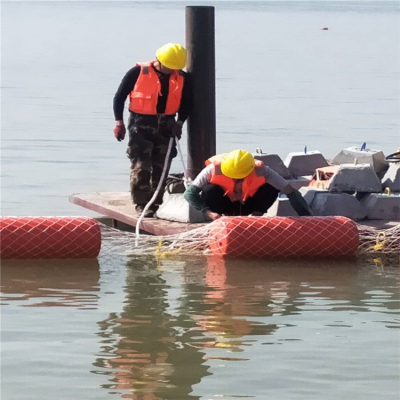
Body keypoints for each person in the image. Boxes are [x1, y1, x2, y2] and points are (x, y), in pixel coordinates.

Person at [113, 43, 192, 217]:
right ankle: (141, 204)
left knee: (161, 166)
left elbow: (186, 102)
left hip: (167, 124)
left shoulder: (182, 77)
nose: (172, 71)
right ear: (159, 61)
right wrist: (119, 122)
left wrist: (179, 123)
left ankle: (156, 203)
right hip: (140, 124)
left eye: (176, 68)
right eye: (169, 67)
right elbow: (119, 97)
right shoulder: (137, 73)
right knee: (141, 166)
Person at [184, 149, 312, 220]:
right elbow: (189, 194)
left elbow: (291, 191)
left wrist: (307, 217)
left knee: (271, 187)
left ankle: (255, 217)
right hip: (223, 207)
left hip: (249, 205)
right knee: (210, 189)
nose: (237, 180)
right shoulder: (213, 169)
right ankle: (222, 220)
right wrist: (209, 213)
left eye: (240, 177)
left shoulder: (262, 170)